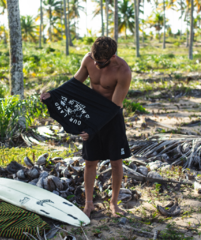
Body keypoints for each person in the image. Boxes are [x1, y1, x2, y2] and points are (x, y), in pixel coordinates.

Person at [41, 36, 131, 218]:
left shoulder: (123, 71)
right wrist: (53, 95)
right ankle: (89, 204)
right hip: (91, 116)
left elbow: (113, 108)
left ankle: (113, 203)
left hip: (111, 117)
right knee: (90, 161)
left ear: (113, 57)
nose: (97, 66)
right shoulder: (89, 60)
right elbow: (74, 85)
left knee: (116, 162)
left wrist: (91, 128)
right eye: (95, 60)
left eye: (102, 63)